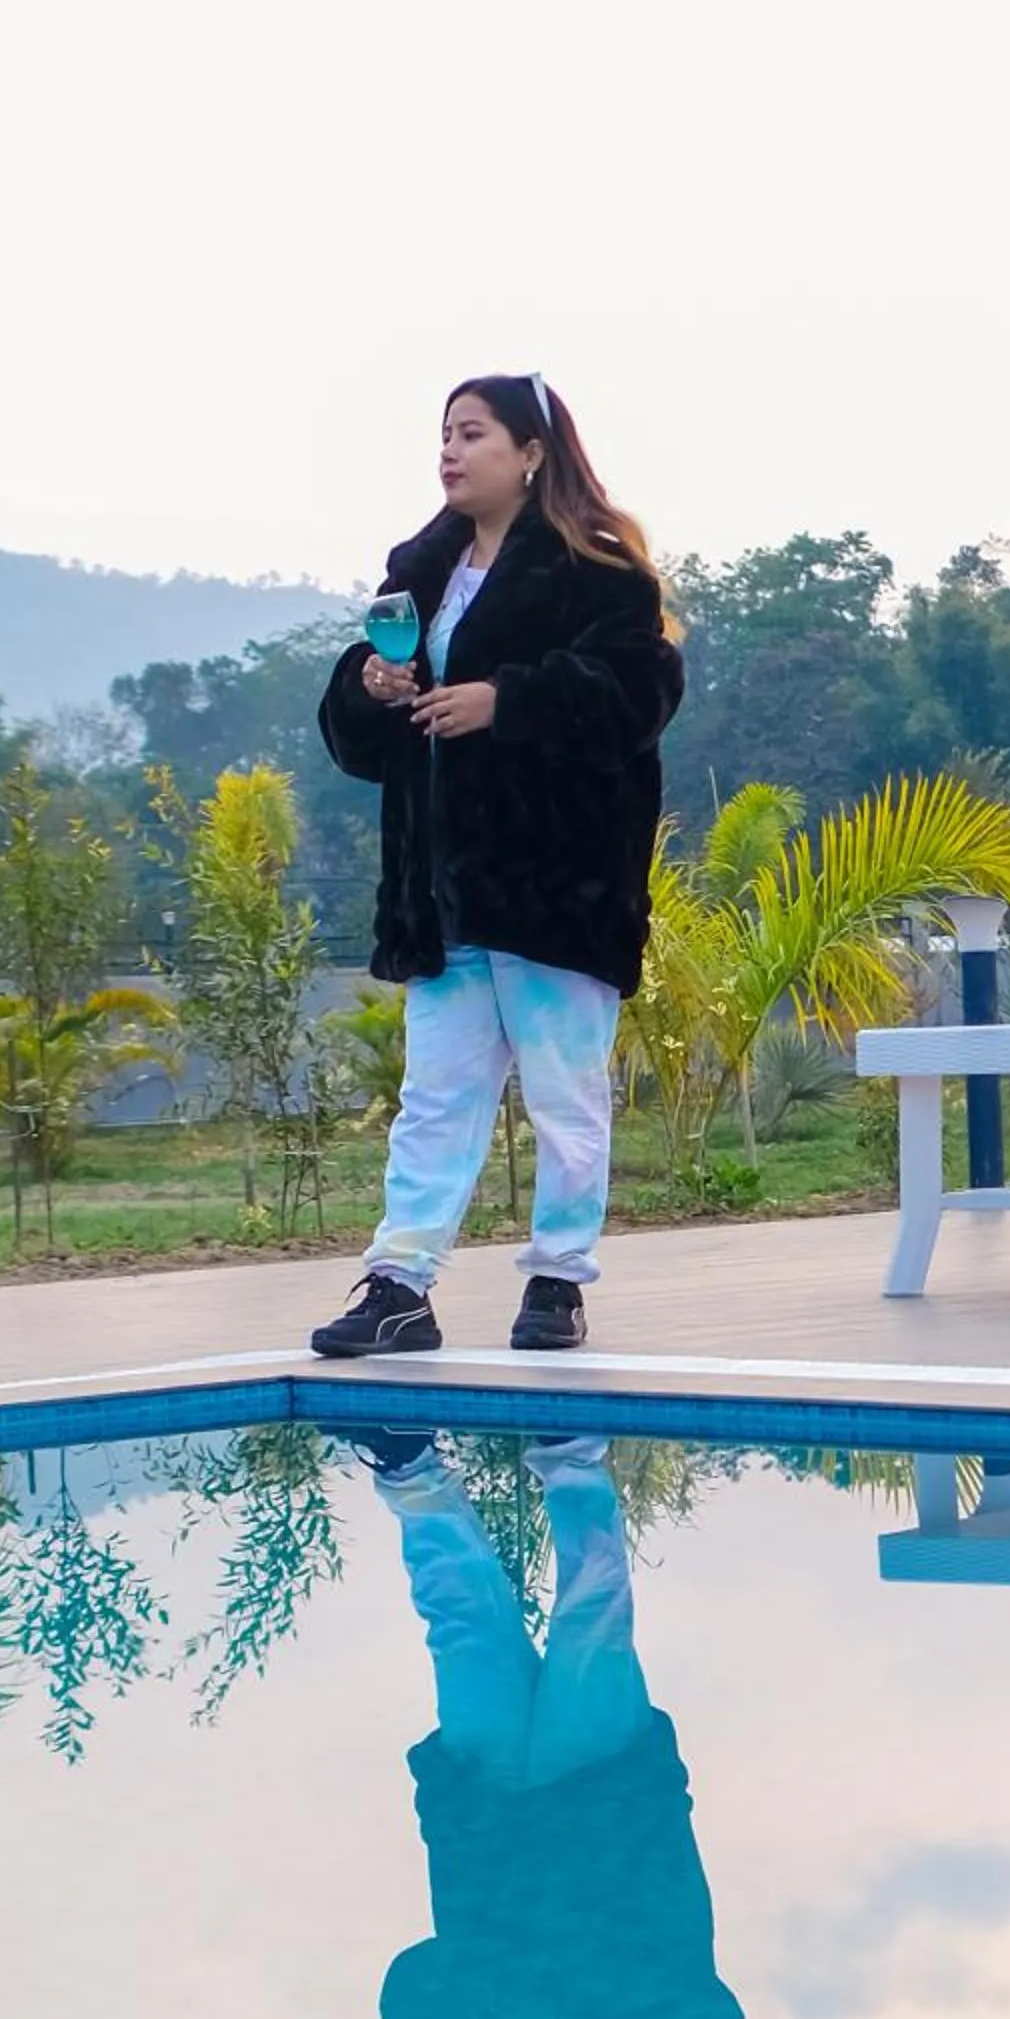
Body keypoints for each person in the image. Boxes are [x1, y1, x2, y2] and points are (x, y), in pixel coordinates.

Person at [309, 374, 682, 1358]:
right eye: (443, 434)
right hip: (441, 893)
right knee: (434, 1099)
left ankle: (558, 1280)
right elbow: (357, 737)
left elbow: (636, 697)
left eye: (472, 434)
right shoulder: (417, 576)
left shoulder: (602, 578)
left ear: (530, 453)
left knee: (564, 1095)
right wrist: (371, 685)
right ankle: (399, 1283)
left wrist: (503, 702)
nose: (450, 451)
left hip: (555, 885)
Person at [355, 1429, 746, 2019]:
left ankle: (410, 1469)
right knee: (591, 1616)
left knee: (462, 1632)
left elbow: (417, 1979)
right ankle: (569, 1459)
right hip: (604, 1820)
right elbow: (702, 2008)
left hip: (490, 1829)